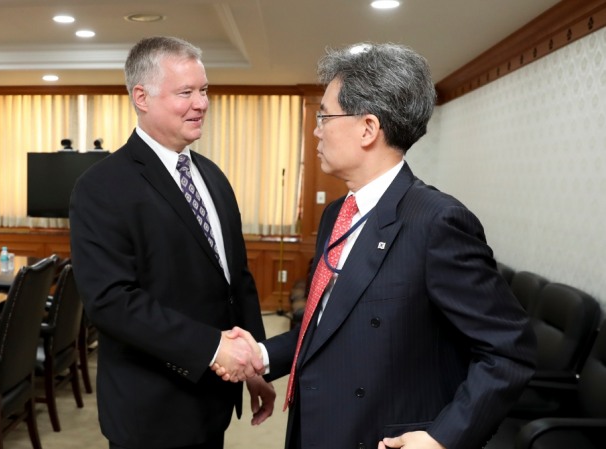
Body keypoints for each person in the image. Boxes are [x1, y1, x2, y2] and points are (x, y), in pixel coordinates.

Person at [216, 42, 536, 449]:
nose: (316, 129)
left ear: (368, 128)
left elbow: (509, 350)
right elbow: (326, 323)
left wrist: (442, 438)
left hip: (377, 436)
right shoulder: (337, 213)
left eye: (325, 116)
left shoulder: (437, 222)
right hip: (314, 427)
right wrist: (261, 355)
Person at [69, 36, 275, 449]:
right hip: (151, 410)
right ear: (141, 97)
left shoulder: (212, 176)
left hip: (212, 401)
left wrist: (255, 365)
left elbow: (237, 280)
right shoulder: (101, 186)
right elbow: (111, 301)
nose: (201, 103)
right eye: (186, 92)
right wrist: (213, 347)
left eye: (204, 90)